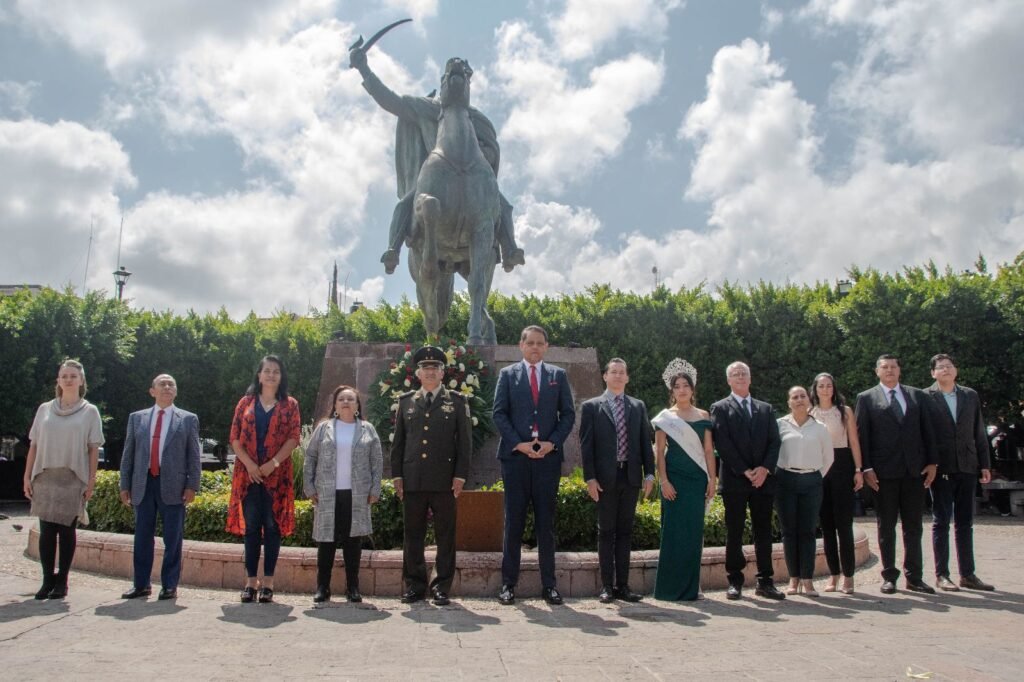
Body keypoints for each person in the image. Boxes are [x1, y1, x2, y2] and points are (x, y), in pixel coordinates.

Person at [348, 42, 524, 274]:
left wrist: (482, 155)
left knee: (504, 205)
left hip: (473, 176)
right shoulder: (427, 109)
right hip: (434, 178)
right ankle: (393, 249)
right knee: (406, 203)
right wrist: (365, 71)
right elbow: (390, 100)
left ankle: (510, 248)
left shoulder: (476, 119)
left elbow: (492, 149)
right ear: (443, 86)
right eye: (449, 77)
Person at [493, 325, 576, 605]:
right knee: (513, 522)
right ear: (521, 345)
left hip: (547, 460)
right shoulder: (507, 375)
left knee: (545, 524)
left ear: (546, 347)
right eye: (530, 343)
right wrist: (519, 443)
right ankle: (508, 584)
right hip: (515, 458)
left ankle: (549, 585)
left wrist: (553, 442)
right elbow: (499, 413)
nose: (535, 348)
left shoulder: (558, 376)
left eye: (540, 343)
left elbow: (567, 414)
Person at [391, 346, 472, 606]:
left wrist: (460, 475)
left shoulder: (457, 402)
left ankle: (441, 587)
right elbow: (398, 444)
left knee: (445, 535)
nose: (430, 372)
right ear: (417, 373)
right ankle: (415, 585)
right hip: (413, 478)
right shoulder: (406, 402)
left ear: (442, 373)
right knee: (412, 535)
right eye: (425, 368)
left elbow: (465, 444)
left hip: (444, 480)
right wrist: (397, 477)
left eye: (435, 368)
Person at [855, 354, 938, 595]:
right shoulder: (866, 398)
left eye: (893, 367)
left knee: (914, 526)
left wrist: (932, 462)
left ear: (899, 370)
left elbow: (928, 431)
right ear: (877, 371)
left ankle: (915, 577)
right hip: (883, 473)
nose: (889, 370)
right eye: (884, 367)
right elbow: (863, 437)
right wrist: (866, 468)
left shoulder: (916, 396)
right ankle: (889, 575)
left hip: (914, 471)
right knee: (886, 525)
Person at [23, 359, 104, 600]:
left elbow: (93, 449)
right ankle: (47, 580)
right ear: (58, 380)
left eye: (73, 376)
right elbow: (34, 445)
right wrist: (27, 475)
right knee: (46, 531)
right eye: (64, 376)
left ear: (81, 381)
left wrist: (90, 481)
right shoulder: (44, 409)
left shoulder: (90, 411)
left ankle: (63, 581)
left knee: (67, 531)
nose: (68, 379)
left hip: (72, 477)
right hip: (45, 475)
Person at [118, 374, 201, 601]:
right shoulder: (137, 418)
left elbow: (194, 455)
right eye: (161, 384)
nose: (166, 387)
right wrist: (124, 484)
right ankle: (141, 584)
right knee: (142, 536)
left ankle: (169, 585)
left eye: (171, 384)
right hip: (143, 484)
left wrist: (192, 485)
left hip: (173, 486)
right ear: (152, 391)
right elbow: (129, 454)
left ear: (175, 391)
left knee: (173, 538)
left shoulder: (187, 419)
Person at [226, 355, 301, 604]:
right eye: (266, 371)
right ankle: (250, 582)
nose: (271, 375)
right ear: (258, 375)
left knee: (272, 527)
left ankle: (268, 582)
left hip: (276, 477)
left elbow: (293, 438)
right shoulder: (245, 403)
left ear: (282, 376)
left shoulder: (290, 405)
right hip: (248, 477)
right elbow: (235, 437)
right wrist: (250, 465)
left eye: (276, 371)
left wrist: (272, 464)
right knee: (251, 529)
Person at [580, 358, 655, 603]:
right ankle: (606, 586)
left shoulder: (637, 406)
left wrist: (649, 474)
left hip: (630, 476)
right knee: (606, 532)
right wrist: (590, 478)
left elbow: (645, 442)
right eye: (614, 372)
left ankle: (623, 585)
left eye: (622, 372)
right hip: (605, 479)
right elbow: (586, 445)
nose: (618, 376)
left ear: (627, 377)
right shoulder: (592, 406)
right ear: (605, 376)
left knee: (625, 532)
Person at [710, 361, 784, 600]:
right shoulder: (720, 407)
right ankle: (735, 580)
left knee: (764, 531)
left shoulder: (765, 408)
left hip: (763, 480)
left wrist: (764, 469)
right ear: (728, 380)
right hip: (735, 480)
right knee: (735, 531)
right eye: (735, 374)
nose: (740, 377)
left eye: (744, 373)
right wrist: (744, 470)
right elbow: (722, 443)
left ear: (750, 379)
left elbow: (775, 441)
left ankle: (765, 581)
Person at [304, 385, 383, 604]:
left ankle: (353, 588)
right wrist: (309, 487)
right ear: (335, 405)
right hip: (327, 493)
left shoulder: (367, 429)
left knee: (352, 542)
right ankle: (322, 587)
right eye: (341, 399)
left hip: (356, 494)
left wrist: (375, 488)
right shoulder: (324, 428)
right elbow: (310, 457)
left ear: (358, 405)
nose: (346, 402)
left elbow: (377, 462)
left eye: (351, 399)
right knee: (325, 542)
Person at [925, 353, 995, 591]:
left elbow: (979, 431)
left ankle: (968, 573)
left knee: (965, 522)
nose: (945, 370)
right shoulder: (926, 397)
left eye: (949, 366)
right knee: (941, 520)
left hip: (967, 464)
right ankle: (942, 574)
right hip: (941, 467)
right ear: (933, 373)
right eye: (940, 367)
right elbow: (924, 435)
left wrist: (984, 464)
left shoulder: (969, 395)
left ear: (955, 370)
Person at [651, 359, 717, 601]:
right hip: (674, 480)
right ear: (672, 390)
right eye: (677, 386)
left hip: (697, 479)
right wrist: (664, 481)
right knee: (673, 533)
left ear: (692, 389)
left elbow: (708, 450)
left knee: (693, 532)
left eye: (685, 385)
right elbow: (659, 452)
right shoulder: (665, 418)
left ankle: (692, 586)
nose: (682, 389)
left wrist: (712, 478)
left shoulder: (703, 415)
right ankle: (668, 588)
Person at [809, 372, 864, 594]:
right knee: (827, 526)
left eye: (828, 385)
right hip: (819, 466)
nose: (825, 389)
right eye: (821, 386)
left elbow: (853, 441)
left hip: (842, 465)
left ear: (834, 388)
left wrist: (859, 469)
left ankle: (849, 576)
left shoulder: (844, 411)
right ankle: (833, 575)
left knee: (844, 525)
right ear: (815, 389)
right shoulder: (810, 413)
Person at [776, 386, 833, 597]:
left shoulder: (820, 427)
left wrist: (815, 476)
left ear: (809, 400)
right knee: (789, 532)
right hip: (785, 480)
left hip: (812, 481)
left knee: (808, 531)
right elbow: (773, 452)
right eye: (794, 397)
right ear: (788, 402)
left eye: (802, 396)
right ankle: (793, 579)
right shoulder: (780, 425)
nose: (799, 400)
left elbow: (828, 458)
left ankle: (808, 580)